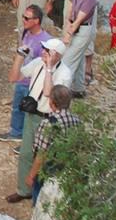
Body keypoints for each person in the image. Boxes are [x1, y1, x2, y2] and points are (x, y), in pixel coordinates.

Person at [7, 37, 71, 204]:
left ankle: (41, 195)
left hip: (50, 119)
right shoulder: (37, 63)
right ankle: (24, 190)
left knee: (44, 158)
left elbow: (49, 92)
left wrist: (49, 68)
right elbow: (13, 77)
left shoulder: (64, 73)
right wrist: (20, 56)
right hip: (33, 115)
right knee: (26, 154)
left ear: (56, 55)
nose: (43, 52)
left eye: (47, 51)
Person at [0, 5, 50, 144]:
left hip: (33, 84)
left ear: (37, 20)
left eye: (27, 18)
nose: (23, 20)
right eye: (23, 16)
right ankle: (16, 133)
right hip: (21, 79)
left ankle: (28, 142)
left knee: (30, 114)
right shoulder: (26, 32)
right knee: (17, 108)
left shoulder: (45, 41)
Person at [26, 85, 82, 205]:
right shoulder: (77, 120)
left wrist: (31, 175)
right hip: (66, 168)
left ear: (52, 102)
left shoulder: (49, 124)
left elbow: (42, 154)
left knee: (40, 200)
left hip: (48, 170)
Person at [59, 0, 98, 95]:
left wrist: (67, 35)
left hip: (84, 30)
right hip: (76, 27)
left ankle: (61, 92)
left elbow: (78, 20)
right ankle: (78, 88)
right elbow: (71, 11)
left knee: (67, 61)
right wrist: (68, 24)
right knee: (79, 58)